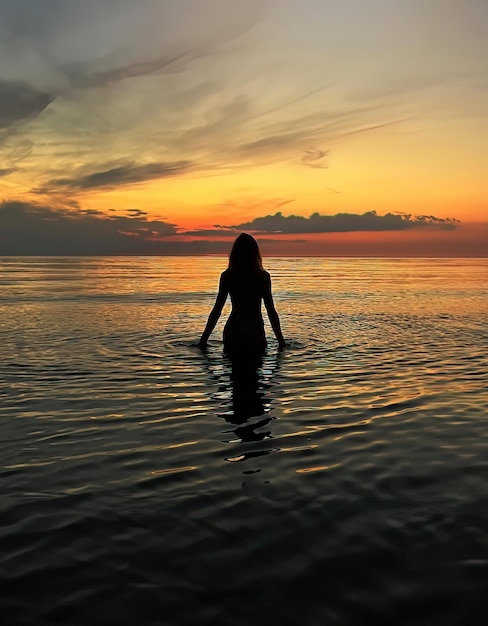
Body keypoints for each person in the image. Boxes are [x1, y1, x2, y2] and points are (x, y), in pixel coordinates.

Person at [199, 233, 285, 359]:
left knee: (233, 374)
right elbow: (271, 311)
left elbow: (217, 310)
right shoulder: (262, 277)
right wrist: (281, 341)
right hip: (254, 330)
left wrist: (204, 339)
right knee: (254, 374)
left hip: (234, 330)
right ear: (255, 253)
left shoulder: (228, 276)